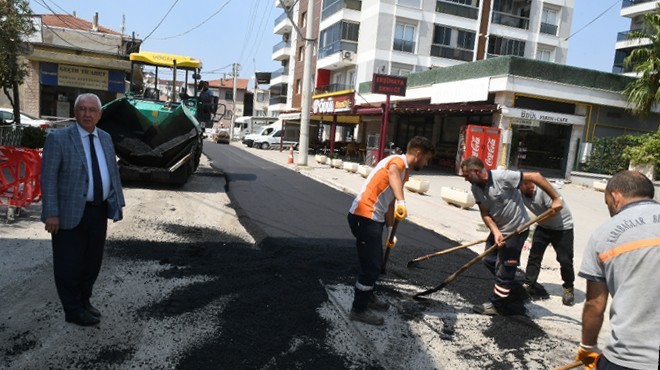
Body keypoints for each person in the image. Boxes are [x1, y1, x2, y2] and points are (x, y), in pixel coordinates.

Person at [41, 93, 125, 326]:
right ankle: (72, 310)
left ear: (99, 114)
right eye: (82, 109)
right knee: (68, 264)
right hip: (68, 213)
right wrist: (51, 212)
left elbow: (112, 172)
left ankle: (84, 301)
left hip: (98, 212)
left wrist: (117, 203)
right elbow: (48, 178)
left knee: (92, 262)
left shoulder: (106, 138)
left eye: (92, 110)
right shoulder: (59, 138)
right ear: (75, 112)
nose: (87, 114)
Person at [575, 171, 659, 370]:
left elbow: (595, 304)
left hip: (631, 358)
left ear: (615, 197)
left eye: (607, 204)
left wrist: (587, 347)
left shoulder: (602, 235)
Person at [347, 136, 434, 325]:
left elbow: (389, 202)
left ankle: (368, 296)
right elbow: (393, 173)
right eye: (427, 158)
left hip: (374, 219)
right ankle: (358, 309)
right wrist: (403, 200)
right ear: (418, 154)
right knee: (371, 267)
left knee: (376, 263)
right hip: (364, 216)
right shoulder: (397, 163)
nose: (427, 163)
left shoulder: (404, 172)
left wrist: (389, 229)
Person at [460, 157, 562, 315]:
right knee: (489, 260)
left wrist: (556, 198)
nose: (465, 179)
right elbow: (485, 214)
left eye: (466, 175)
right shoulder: (476, 188)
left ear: (477, 171)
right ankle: (516, 290)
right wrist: (495, 232)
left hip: (517, 230)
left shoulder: (502, 177)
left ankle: (497, 305)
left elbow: (536, 176)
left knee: (505, 267)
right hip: (499, 229)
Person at [519, 180, 576, 305]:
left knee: (565, 260)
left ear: (528, 184)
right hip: (543, 227)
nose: (518, 189)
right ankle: (529, 284)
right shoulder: (521, 193)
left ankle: (568, 288)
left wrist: (535, 221)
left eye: (519, 186)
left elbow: (554, 210)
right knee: (534, 256)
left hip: (563, 228)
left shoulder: (544, 190)